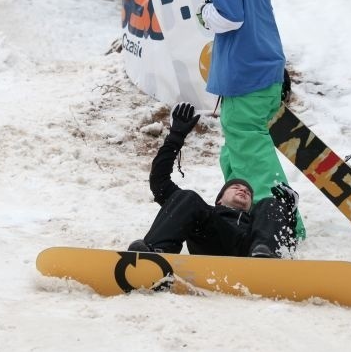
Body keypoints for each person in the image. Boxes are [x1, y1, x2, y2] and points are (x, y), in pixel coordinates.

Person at [193, 0, 305, 240]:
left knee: (250, 149)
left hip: (246, 70)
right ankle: (242, 216)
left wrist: (203, 14)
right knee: (235, 148)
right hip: (263, 63)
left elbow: (229, 17)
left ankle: (285, 227)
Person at [128, 103, 299, 258]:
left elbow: (290, 244)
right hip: (211, 242)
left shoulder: (257, 222)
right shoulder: (203, 212)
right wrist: (175, 138)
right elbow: (159, 183)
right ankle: (154, 256)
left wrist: (289, 211)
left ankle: (266, 260)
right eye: (236, 187)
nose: (243, 190)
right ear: (219, 200)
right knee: (188, 197)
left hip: (251, 251)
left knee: (270, 203)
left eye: (248, 192)